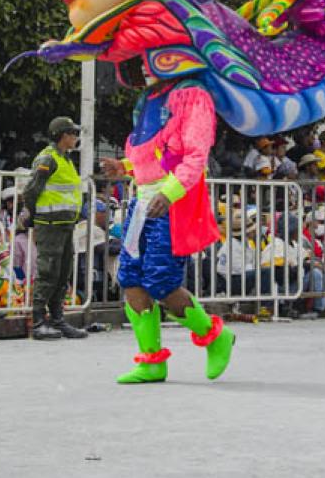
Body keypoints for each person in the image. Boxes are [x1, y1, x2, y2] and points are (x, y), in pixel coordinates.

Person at [103, 80, 235, 385]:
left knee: (161, 281)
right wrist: (123, 166)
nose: (145, 67)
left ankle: (215, 336)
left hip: (172, 204)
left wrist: (170, 192)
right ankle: (151, 362)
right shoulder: (149, 99)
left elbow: (194, 156)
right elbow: (154, 159)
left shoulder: (193, 96)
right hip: (141, 204)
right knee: (130, 278)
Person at [24, 116, 88, 341]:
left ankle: (58, 320)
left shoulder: (67, 160)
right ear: (63, 135)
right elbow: (31, 190)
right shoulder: (48, 158)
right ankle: (39, 321)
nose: (76, 137)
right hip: (49, 224)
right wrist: (34, 217)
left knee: (62, 273)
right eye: (73, 133)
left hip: (65, 224)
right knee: (48, 272)